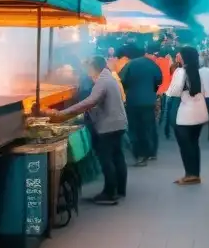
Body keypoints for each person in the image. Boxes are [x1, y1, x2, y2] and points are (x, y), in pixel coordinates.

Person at [48, 56, 128, 205]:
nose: (88, 72)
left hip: (108, 126)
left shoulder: (102, 81)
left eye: (89, 69)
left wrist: (64, 113)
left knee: (107, 159)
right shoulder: (108, 77)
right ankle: (120, 189)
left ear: (94, 68)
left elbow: (91, 101)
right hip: (118, 124)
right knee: (117, 156)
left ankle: (110, 193)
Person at [166, 47, 209, 185]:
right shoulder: (206, 72)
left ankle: (190, 174)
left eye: (179, 55)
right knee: (194, 144)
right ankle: (195, 174)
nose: (178, 57)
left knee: (185, 145)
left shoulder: (180, 72)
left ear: (184, 57)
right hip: (200, 112)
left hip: (183, 114)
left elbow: (174, 92)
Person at [120, 46, 163, 167]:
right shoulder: (152, 64)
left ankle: (140, 156)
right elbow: (159, 80)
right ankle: (152, 152)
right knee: (150, 126)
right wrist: (152, 91)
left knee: (136, 129)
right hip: (149, 101)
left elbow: (122, 80)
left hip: (133, 101)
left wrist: (129, 89)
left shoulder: (130, 65)